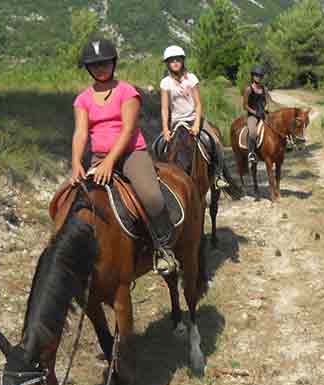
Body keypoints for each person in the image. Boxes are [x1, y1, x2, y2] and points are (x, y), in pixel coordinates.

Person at [71, 39, 177, 275]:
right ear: (88, 67)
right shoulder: (83, 99)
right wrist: (76, 162)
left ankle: (164, 246)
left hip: (131, 153)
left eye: (105, 62)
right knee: (69, 201)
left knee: (151, 197)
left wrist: (109, 162)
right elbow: (80, 132)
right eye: (94, 64)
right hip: (97, 156)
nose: (100, 68)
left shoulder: (126, 91)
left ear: (114, 62)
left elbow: (128, 129)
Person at [159, 45, 228, 189]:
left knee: (215, 142)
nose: (175, 63)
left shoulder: (191, 78)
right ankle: (162, 178)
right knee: (157, 146)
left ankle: (218, 176)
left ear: (183, 61)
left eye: (178, 60)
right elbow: (165, 108)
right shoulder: (165, 83)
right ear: (167, 63)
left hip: (193, 119)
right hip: (176, 122)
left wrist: (197, 124)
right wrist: (165, 129)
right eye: (172, 61)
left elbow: (198, 104)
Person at [242, 65, 271, 164]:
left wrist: (266, 108)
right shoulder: (248, 90)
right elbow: (245, 106)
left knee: (276, 125)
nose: (258, 77)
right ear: (253, 76)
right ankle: (251, 153)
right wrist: (255, 113)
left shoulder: (264, 89)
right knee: (253, 132)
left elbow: (267, 101)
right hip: (252, 116)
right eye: (256, 75)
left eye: (260, 75)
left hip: (263, 113)